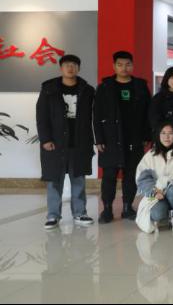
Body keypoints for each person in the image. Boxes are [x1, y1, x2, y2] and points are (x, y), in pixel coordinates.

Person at [36, 54, 95, 230]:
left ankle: (80, 213)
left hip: (79, 142)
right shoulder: (49, 89)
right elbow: (41, 116)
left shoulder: (87, 90)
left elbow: (94, 116)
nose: (70, 68)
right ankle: (53, 215)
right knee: (55, 180)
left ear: (79, 68)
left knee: (78, 180)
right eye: (67, 65)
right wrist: (45, 139)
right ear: (61, 68)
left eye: (74, 65)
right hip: (55, 143)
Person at [94, 51, 151, 224]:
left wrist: (147, 135)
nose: (124, 68)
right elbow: (97, 114)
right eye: (120, 64)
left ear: (132, 66)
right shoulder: (105, 87)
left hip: (134, 137)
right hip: (110, 138)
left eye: (128, 64)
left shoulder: (140, 86)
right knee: (109, 175)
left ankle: (127, 207)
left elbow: (148, 113)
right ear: (114, 66)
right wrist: (99, 139)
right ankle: (107, 209)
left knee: (131, 174)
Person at [134, 123, 173, 233]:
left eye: (170, 133)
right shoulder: (150, 155)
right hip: (158, 193)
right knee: (157, 214)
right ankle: (164, 217)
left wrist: (166, 182)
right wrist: (154, 191)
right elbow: (142, 178)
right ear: (158, 135)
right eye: (163, 133)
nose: (167, 137)